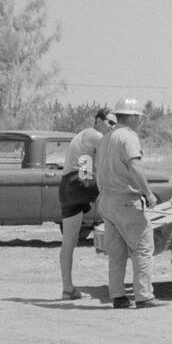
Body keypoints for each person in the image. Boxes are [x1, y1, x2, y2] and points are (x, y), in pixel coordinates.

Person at [95, 98, 162, 310]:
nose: (140, 121)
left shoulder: (106, 138)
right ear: (131, 117)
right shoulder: (128, 138)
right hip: (126, 201)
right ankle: (144, 296)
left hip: (107, 202)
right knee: (142, 249)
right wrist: (149, 193)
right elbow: (135, 166)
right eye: (139, 117)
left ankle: (118, 296)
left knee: (116, 253)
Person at [57, 107, 115, 300]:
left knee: (69, 241)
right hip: (80, 181)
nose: (112, 127)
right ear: (98, 121)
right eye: (110, 123)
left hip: (67, 186)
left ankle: (68, 289)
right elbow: (111, 160)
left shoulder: (83, 135)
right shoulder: (96, 135)